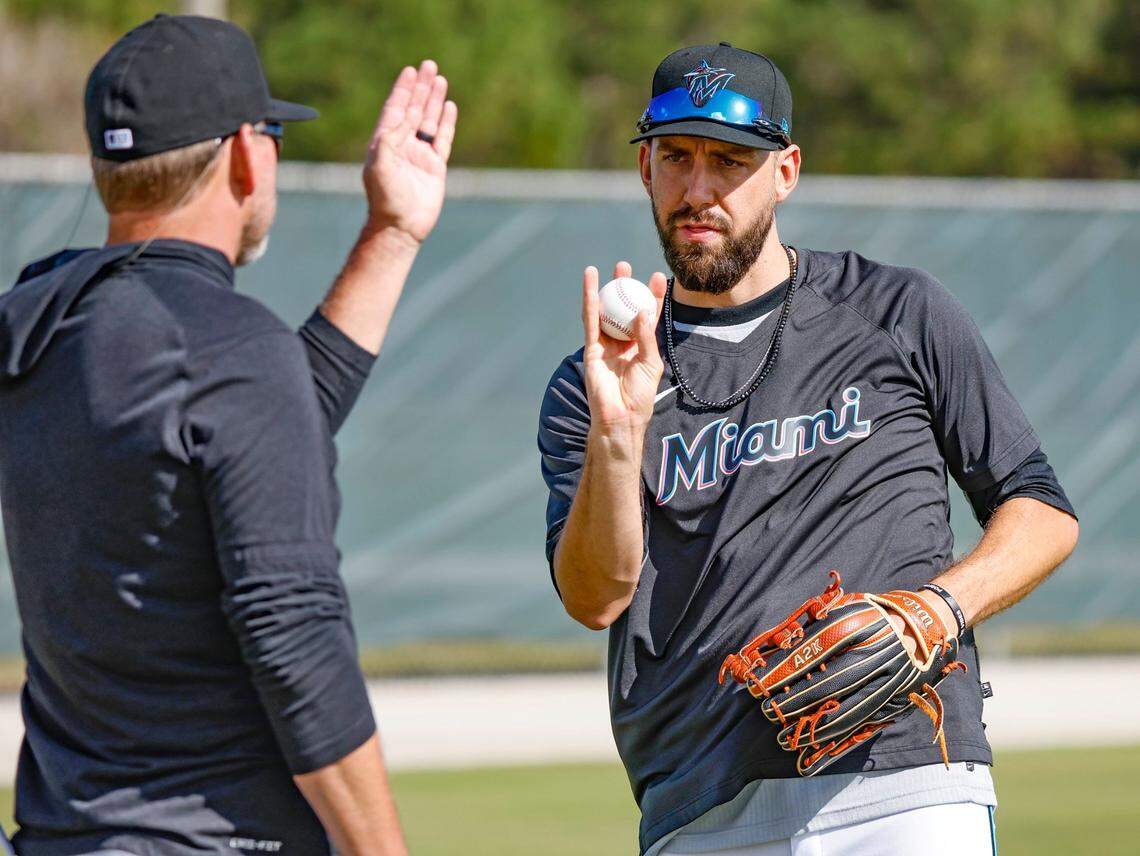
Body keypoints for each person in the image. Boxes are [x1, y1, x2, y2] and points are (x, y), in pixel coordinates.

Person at [538, 43, 1079, 856]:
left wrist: (940, 609)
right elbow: (594, 598)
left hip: (906, 783)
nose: (699, 189)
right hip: (702, 805)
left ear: (784, 171)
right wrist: (620, 437)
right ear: (644, 169)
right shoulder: (594, 382)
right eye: (676, 158)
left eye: (730, 160)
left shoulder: (896, 311)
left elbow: (1041, 510)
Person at [0, 14, 457, 856]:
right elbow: (294, 638)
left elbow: (266, 426)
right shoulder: (228, 351)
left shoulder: (37, 326)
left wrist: (392, 232)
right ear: (248, 152)